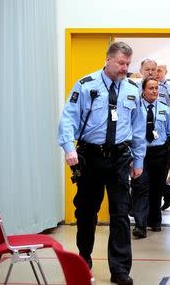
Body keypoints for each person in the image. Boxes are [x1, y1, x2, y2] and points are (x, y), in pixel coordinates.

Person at [58, 41, 145, 285]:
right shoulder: (86, 85)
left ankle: (119, 270)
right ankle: (84, 258)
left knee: (120, 214)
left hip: (120, 157)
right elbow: (68, 118)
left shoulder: (131, 89)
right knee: (86, 212)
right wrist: (67, 148)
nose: (124, 68)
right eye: (120, 63)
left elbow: (137, 128)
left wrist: (138, 160)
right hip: (91, 157)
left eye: (128, 64)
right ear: (108, 60)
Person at [131, 77, 170, 238]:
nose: (154, 91)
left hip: (160, 153)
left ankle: (155, 221)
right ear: (143, 90)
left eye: (156, 88)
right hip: (140, 153)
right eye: (151, 88)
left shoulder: (164, 109)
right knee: (140, 187)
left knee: (157, 188)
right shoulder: (135, 109)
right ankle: (140, 225)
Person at [137, 59, 170, 211]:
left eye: (153, 69)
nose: (150, 72)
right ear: (141, 70)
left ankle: (153, 217)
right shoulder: (133, 89)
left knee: (156, 181)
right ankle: (167, 194)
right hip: (140, 145)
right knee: (141, 182)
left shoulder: (166, 90)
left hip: (160, 145)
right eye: (147, 69)